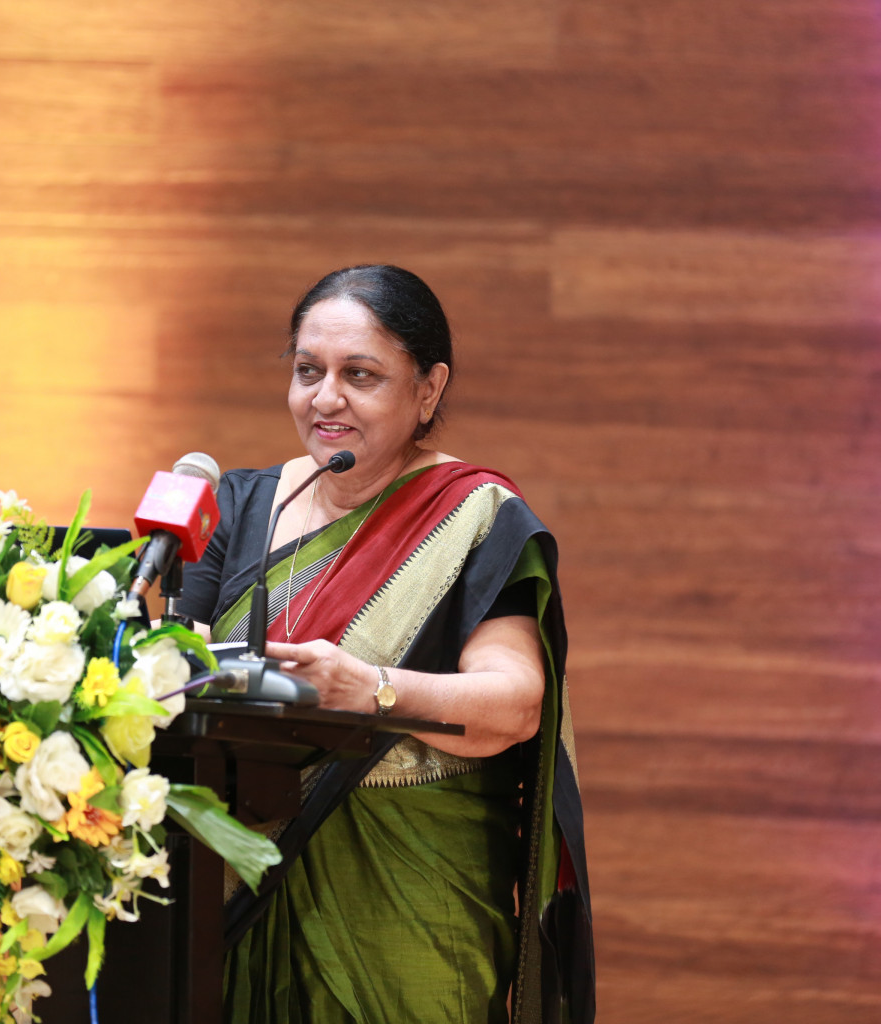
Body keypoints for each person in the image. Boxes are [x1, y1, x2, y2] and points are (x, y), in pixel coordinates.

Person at [179, 265, 593, 1023]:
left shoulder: (473, 518)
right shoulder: (239, 506)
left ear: (428, 390)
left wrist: (371, 690)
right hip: (236, 883)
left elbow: (515, 704)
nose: (325, 398)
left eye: (359, 375)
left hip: (403, 899)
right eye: (309, 372)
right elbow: (177, 662)